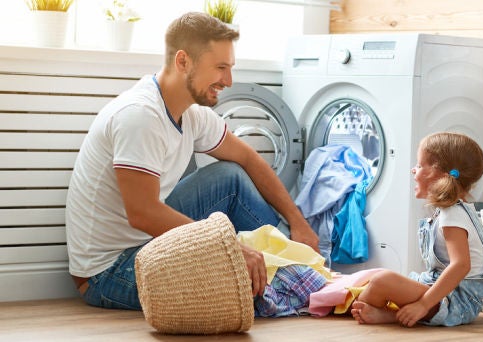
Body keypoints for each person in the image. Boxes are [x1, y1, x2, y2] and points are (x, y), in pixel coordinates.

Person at [65, 11, 319, 310]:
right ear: (183, 61)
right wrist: (230, 250)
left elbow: (248, 159)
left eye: (230, 67)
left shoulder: (191, 113)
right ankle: (296, 280)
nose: (228, 80)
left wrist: (298, 222)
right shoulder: (140, 116)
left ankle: (299, 263)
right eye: (220, 67)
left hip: (146, 243)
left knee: (230, 176)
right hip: (108, 272)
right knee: (238, 284)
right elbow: (143, 214)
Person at [350, 132, 483, 327]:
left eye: (418, 165)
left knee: (381, 281)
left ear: (438, 174)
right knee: (374, 279)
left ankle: (371, 310)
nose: (413, 170)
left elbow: (461, 265)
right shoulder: (450, 210)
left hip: (458, 302)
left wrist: (424, 304)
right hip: (444, 292)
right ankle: (390, 315)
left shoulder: (453, 214)